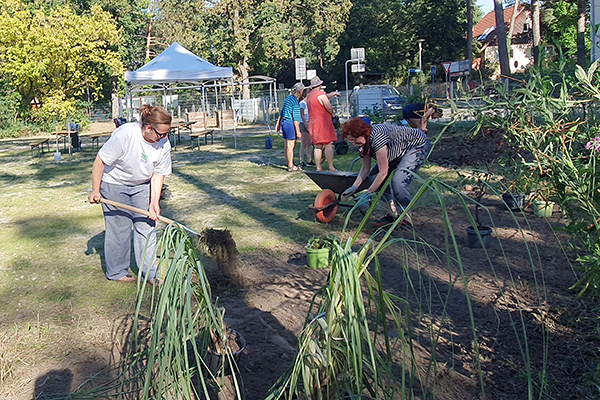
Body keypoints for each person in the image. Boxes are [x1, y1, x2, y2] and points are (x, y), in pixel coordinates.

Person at [88, 105, 172, 284]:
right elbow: (100, 161)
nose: (164, 138)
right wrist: (96, 189)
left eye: (167, 134)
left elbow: (158, 173)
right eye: (161, 134)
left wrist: (154, 202)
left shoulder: (163, 144)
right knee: (119, 229)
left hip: (142, 186)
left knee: (147, 227)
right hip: (114, 185)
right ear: (148, 128)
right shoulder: (125, 134)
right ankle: (117, 272)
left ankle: (150, 273)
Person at [341, 117, 432, 227]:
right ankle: (392, 213)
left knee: (398, 181)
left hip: (417, 145)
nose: (353, 144)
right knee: (374, 178)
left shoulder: (377, 137)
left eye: (354, 140)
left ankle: (405, 217)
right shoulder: (363, 145)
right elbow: (365, 168)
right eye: (351, 141)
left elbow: (383, 172)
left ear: (362, 134)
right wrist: (354, 187)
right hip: (397, 151)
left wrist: (368, 193)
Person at [306, 76, 341, 171]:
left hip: (313, 124)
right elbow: (328, 106)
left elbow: (324, 97)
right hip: (323, 123)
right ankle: (331, 167)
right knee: (328, 144)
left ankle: (318, 167)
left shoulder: (310, 95)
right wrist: (333, 114)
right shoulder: (320, 94)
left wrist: (334, 94)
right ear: (319, 85)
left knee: (318, 146)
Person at [275, 82, 305, 172]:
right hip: (290, 124)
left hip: (284, 123)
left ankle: (289, 162)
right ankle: (291, 166)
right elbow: (296, 118)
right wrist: (298, 131)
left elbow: (282, 111)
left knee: (286, 146)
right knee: (290, 146)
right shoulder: (295, 102)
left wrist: (278, 123)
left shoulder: (288, 99)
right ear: (300, 91)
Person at [298, 88, 314, 167]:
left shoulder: (309, 103)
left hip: (310, 123)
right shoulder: (302, 103)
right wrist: (305, 124)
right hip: (304, 123)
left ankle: (309, 159)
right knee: (304, 142)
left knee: (309, 143)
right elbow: (302, 115)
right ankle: (301, 160)